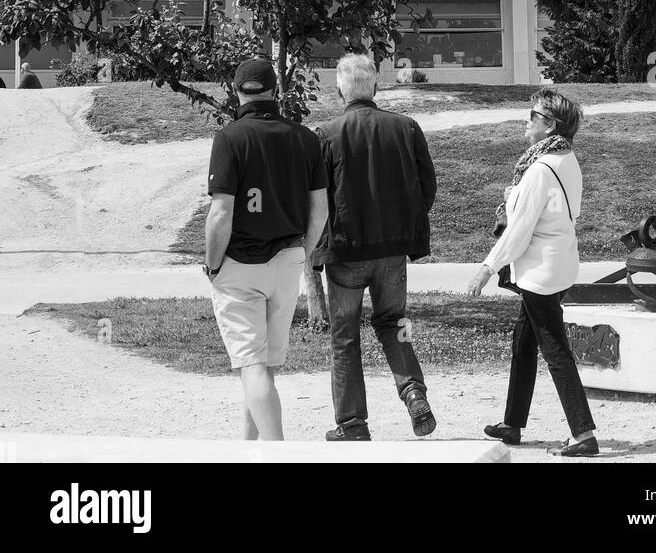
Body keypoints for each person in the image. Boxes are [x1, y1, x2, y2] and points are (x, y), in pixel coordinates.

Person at [467, 89, 599, 457]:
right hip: (558, 263)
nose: (527, 122)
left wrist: (486, 269)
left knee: (555, 351)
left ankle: (584, 433)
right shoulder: (566, 158)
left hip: (541, 271)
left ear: (549, 125)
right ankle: (513, 423)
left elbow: (519, 229)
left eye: (532, 115)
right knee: (524, 342)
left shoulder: (540, 170)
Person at [313, 53, 437, 441]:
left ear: (339, 91)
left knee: (344, 336)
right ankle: (413, 391)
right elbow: (426, 187)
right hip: (392, 251)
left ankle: (352, 423)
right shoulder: (407, 128)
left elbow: (318, 199)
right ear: (376, 87)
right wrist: (404, 224)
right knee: (394, 323)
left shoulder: (327, 134)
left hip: (347, 250)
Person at [204, 58, 328, 441]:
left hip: (240, 262)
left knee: (252, 365)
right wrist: (304, 252)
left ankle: (277, 453)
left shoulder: (230, 138)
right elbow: (320, 208)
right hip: (288, 258)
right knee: (262, 366)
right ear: (277, 89)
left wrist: (212, 265)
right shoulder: (305, 138)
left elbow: (221, 212)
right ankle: (250, 448)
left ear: (235, 89)